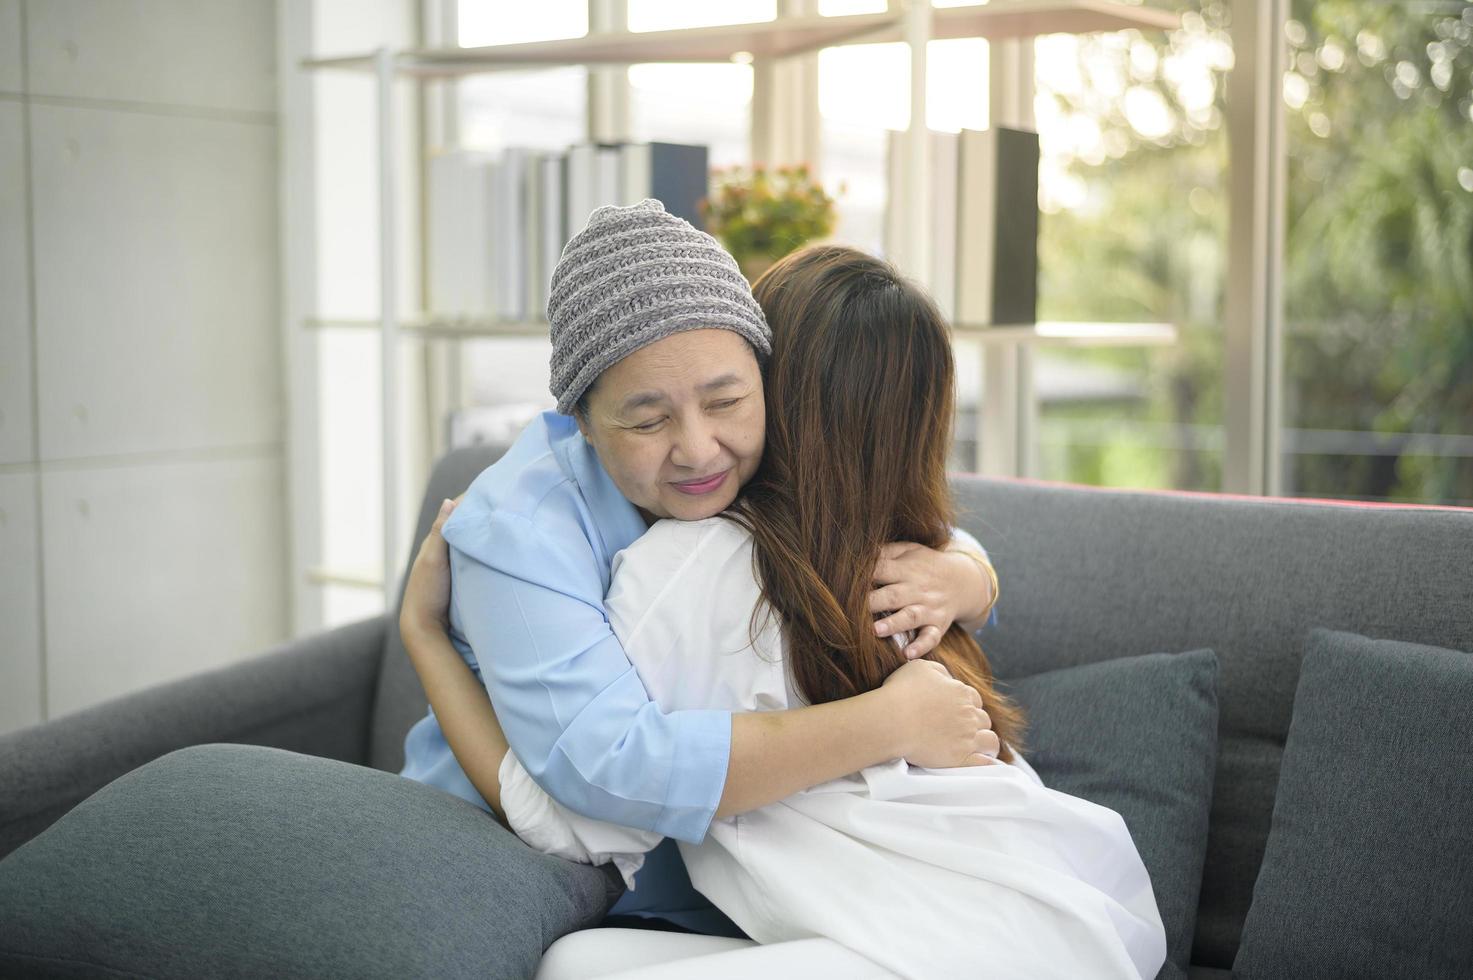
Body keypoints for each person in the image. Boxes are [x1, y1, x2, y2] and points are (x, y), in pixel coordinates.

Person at [397, 200, 1004, 939]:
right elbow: (607, 770)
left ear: (770, 382)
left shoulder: (768, 472)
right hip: (513, 851)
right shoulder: (516, 531)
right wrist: (886, 722)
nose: (697, 450)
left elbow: (879, 517)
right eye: (647, 421)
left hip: (721, 878)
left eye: (726, 401)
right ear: (580, 423)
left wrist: (967, 577)